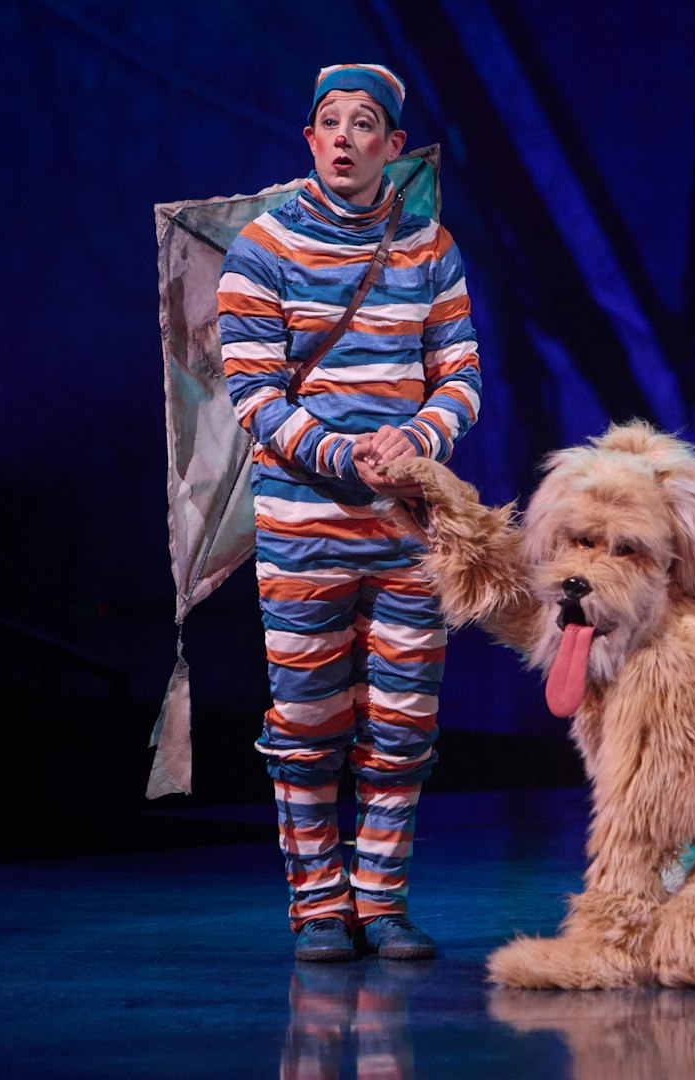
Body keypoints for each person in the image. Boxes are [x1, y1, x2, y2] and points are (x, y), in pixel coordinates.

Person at [216, 63, 482, 962]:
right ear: (309, 140)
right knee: (308, 719)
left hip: (409, 530)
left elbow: (462, 378)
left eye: (362, 124)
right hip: (303, 528)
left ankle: (382, 900)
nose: (342, 137)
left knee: (404, 721)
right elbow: (251, 390)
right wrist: (342, 455)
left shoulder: (429, 248)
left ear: (391, 147)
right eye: (328, 122)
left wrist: (414, 444)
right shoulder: (261, 247)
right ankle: (318, 905)